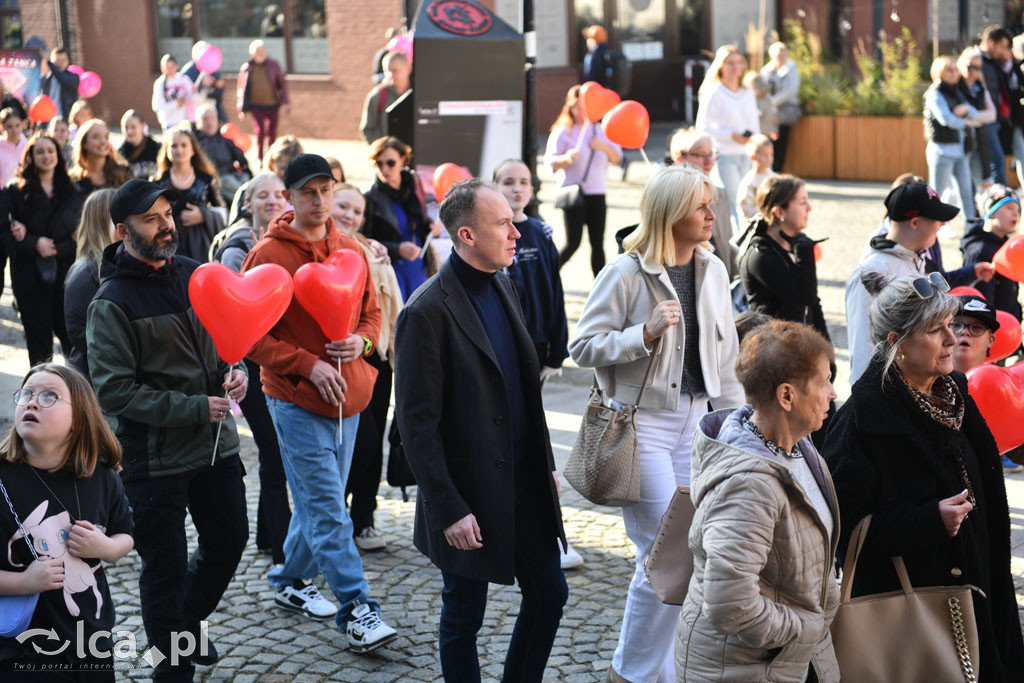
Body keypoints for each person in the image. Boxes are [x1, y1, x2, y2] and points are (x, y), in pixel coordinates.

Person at [570, 165, 744, 682]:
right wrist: (640, 335)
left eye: (711, 204)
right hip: (641, 425)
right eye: (701, 206)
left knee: (686, 556)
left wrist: (737, 430)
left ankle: (650, 671)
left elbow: (726, 357)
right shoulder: (625, 273)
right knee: (664, 556)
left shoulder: (713, 268)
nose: (712, 215)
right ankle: (635, 673)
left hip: (699, 425)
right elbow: (581, 346)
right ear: (671, 213)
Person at [394, 178, 567, 681]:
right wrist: (448, 508)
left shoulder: (503, 282)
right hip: (467, 493)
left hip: (523, 481)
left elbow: (521, 392)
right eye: (503, 223)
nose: (517, 232)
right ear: (466, 235)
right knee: (463, 617)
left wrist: (545, 467)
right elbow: (416, 425)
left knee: (551, 594)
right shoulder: (425, 312)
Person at [86, 179, 249, 681]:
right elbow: (115, 394)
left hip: (215, 447)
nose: (166, 225)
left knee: (230, 540)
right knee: (165, 573)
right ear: (122, 230)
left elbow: (224, 342)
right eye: (151, 218)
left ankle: (187, 623)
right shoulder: (110, 301)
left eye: (167, 214)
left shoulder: (197, 274)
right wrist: (195, 408)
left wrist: (236, 368)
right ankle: (172, 672)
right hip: (153, 459)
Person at [824, 273, 1024, 683]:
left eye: (951, 326)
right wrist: (927, 521)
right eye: (936, 330)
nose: (952, 340)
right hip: (919, 615)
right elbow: (839, 531)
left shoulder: (952, 392)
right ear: (897, 342)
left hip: (981, 590)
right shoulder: (862, 423)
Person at [241, 154, 398, 652]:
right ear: (289, 196)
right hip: (294, 400)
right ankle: (358, 610)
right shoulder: (268, 255)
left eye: (325, 190)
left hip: (350, 397)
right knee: (331, 509)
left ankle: (289, 579)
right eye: (307, 191)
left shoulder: (350, 247)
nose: (318, 200)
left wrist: (363, 344)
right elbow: (248, 337)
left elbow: (372, 315)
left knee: (318, 504)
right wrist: (306, 363)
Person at [677, 320, 840, 682]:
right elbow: (731, 604)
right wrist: (806, 627)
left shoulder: (799, 448)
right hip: (742, 669)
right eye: (824, 381)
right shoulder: (748, 485)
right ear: (787, 396)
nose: (832, 393)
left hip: (789, 660)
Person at [0, 363, 133, 679]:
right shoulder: (3, 479)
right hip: (21, 649)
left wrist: (106, 548)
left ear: (78, 420)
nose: (32, 402)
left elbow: (125, 534)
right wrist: (24, 582)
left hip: (91, 642)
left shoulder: (101, 477)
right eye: (27, 394)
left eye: (49, 396)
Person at [212, 172, 293, 565]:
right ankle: (281, 551)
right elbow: (230, 313)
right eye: (264, 195)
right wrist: (237, 365)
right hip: (254, 368)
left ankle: (268, 534)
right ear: (249, 204)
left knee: (275, 453)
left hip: (282, 364)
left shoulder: (287, 244)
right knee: (275, 453)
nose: (274, 201)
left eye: (280, 194)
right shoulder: (238, 248)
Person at [332, 183, 402, 551]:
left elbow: (385, 309)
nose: (349, 215)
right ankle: (335, 516)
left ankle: (364, 519)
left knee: (371, 445)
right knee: (354, 441)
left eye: (356, 211)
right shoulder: (318, 249)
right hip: (336, 357)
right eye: (343, 206)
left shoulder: (372, 251)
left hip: (375, 355)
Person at [846, 182, 961, 384]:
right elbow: (863, 347)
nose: (942, 225)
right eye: (936, 219)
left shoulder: (921, 261)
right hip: (888, 392)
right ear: (915, 223)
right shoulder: (874, 271)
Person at [0, 134, 82, 368]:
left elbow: (81, 237)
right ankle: (41, 397)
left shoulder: (72, 192)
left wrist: (60, 247)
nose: (46, 156)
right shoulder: (14, 192)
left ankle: (77, 396)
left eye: (50, 151)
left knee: (73, 344)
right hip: (29, 278)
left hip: (66, 278)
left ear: (58, 155)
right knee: (39, 349)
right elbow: (3, 234)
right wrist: (32, 243)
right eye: (40, 152)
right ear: (31, 157)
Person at [493, 159, 568, 378]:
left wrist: (557, 351)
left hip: (536, 340)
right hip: (500, 339)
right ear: (494, 188)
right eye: (508, 182)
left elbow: (554, 292)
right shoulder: (488, 235)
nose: (517, 188)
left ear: (532, 189)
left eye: (524, 182)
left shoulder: (541, 233)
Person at [738, 174, 829, 340]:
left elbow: (813, 303)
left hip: (798, 347)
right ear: (779, 211)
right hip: (773, 351)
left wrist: (826, 351)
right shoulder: (761, 256)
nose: (809, 208)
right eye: (802, 202)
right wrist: (805, 254)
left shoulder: (792, 245)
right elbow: (804, 296)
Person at [545, 84, 622, 277]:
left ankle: (601, 285)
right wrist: (566, 159)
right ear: (569, 107)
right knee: (573, 243)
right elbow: (550, 164)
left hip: (597, 193)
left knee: (598, 243)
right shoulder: (563, 131)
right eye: (577, 106)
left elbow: (618, 159)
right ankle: (547, 275)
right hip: (572, 193)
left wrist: (603, 146)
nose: (581, 111)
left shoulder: (601, 130)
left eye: (584, 106)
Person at [362, 136, 440, 301]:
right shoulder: (370, 197)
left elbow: (419, 220)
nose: (384, 169)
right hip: (391, 268)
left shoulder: (413, 185)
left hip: (418, 266)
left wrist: (430, 226)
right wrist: (397, 249)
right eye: (378, 163)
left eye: (390, 163)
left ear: (403, 160)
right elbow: (363, 241)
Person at [696, 45, 760, 226]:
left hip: (747, 154)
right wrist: (731, 135)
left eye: (739, 62)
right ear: (721, 66)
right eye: (730, 63)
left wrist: (755, 142)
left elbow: (755, 124)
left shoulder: (747, 92)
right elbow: (703, 127)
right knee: (736, 202)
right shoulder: (714, 92)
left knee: (751, 202)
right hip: (724, 155)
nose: (735, 67)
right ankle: (738, 248)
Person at [667, 127, 736, 278]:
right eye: (701, 155)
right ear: (680, 158)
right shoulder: (668, 197)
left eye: (712, 154)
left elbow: (727, 242)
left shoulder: (720, 194)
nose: (709, 162)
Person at [152, 122, 226, 263]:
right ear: (167, 150)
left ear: (193, 150)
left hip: (202, 250)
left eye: (184, 145)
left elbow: (224, 212)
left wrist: (204, 215)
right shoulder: (158, 183)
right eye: (174, 146)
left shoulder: (207, 180)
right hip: (167, 249)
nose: (179, 150)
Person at [63, 189, 115, 382]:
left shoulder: (107, 266)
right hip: (94, 380)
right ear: (103, 222)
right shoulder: (86, 273)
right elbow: (83, 336)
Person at [924, 55, 979, 221]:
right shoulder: (935, 94)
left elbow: (973, 112)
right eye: (950, 70)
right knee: (936, 194)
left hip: (960, 151)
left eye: (956, 70)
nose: (955, 73)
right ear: (940, 72)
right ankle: (932, 229)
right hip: (942, 151)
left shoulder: (957, 91)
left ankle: (971, 227)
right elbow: (946, 119)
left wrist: (964, 111)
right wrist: (965, 120)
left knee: (966, 193)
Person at [960, 184, 1021, 320]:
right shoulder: (981, 250)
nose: (1016, 213)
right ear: (991, 211)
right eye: (1009, 207)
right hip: (993, 329)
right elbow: (979, 303)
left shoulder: (1006, 246)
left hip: (1010, 326)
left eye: (1018, 210)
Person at [236, 39, 290, 161]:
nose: (261, 53)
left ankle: (271, 158)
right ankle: (260, 157)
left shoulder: (273, 65)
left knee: (272, 134)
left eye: (263, 50)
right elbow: (241, 89)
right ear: (252, 53)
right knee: (260, 131)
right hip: (256, 105)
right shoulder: (247, 68)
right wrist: (241, 109)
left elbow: (283, 83)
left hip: (272, 104)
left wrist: (286, 102)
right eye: (258, 51)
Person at [194, 102, 251, 203]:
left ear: (217, 120)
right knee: (229, 183)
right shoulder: (196, 144)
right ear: (198, 122)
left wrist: (245, 168)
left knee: (246, 180)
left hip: (233, 174)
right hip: (217, 179)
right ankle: (247, 203)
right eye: (205, 119)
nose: (209, 122)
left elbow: (240, 156)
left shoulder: (225, 140)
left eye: (212, 118)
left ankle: (250, 199)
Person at [958, 47, 997, 192]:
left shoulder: (979, 87)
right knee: (962, 188)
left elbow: (993, 115)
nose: (973, 71)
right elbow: (961, 117)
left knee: (982, 184)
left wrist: (984, 85)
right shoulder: (956, 86)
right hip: (961, 143)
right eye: (970, 67)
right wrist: (981, 118)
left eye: (978, 68)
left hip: (978, 142)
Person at [979, 26, 1013, 186]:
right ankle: (1003, 200)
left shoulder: (994, 63)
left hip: (996, 119)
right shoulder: (977, 61)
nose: (1003, 51)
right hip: (986, 120)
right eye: (1002, 47)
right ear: (991, 43)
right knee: (996, 161)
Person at [760, 41, 801, 172]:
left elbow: (791, 91)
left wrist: (774, 102)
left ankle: (778, 167)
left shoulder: (791, 69)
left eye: (783, 55)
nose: (781, 58)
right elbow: (761, 87)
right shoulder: (767, 70)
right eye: (778, 56)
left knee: (781, 140)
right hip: (769, 111)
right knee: (768, 138)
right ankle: (768, 167)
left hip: (784, 111)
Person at [359, 51, 411, 144]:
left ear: (408, 69)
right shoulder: (377, 96)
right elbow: (367, 129)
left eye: (395, 70)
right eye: (387, 71)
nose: (390, 75)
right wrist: (381, 151)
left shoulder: (418, 93)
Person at [69, 119, 129, 195]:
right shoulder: (73, 181)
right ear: (84, 144)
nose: (103, 141)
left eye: (106, 137)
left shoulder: (122, 174)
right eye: (96, 137)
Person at [735, 134, 777, 222]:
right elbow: (746, 209)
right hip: (757, 225)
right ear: (753, 157)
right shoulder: (749, 181)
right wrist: (766, 212)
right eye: (765, 155)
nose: (769, 158)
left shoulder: (775, 178)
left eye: (771, 154)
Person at [151, 54, 197, 133]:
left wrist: (193, 92)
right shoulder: (160, 83)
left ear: (177, 66)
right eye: (167, 67)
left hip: (184, 122)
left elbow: (194, 98)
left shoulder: (183, 79)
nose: (170, 70)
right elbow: (158, 106)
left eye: (172, 66)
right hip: (169, 124)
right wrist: (177, 104)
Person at [38, 46, 80, 120]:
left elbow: (62, 79)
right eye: (57, 60)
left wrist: (49, 63)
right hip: (48, 121)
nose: (60, 63)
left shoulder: (73, 77)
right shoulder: (47, 79)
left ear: (68, 61)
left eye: (63, 60)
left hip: (65, 120)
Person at [117, 109, 160, 180]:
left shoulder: (157, 148)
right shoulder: (120, 153)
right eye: (126, 128)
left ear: (143, 126)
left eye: (133, 127)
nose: (129, 132)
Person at [0, 107, 26, 188]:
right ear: (2, 127)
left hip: (24, 192)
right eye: (9, 127)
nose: (14, 130)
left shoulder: (27, 145)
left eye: (17, 125)